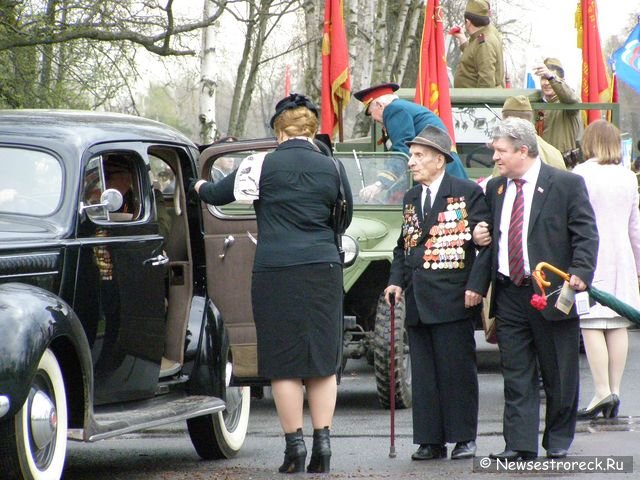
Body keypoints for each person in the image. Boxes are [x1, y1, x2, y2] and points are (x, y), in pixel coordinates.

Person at [191, 93, 352, 474]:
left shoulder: (259, 165)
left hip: (276, 269)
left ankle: (294, 448)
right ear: (312, 131)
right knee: (322, 362)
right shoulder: (334, 166)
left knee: (284, 364)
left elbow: (216, 194)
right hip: (322, 269)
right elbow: (342, 219)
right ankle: (323, 447)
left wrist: (196, 184)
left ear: (279, 132)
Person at [473, 117, 598, 460]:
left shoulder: (566, 184)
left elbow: (585, 233)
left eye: (500, 151)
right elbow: (489, 233)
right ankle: (519, 443)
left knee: (558, 371)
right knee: (516, 372)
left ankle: (557, 438)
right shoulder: (496, 188)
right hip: (509, 292)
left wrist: (581, 271)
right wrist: (479, 233)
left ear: (522, 150)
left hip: (552, 291)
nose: (495, 158)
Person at [384, 125, 490, 461]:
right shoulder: (412, 197)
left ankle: (463, 438)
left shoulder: (466, 192)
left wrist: (476, 285)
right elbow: (404, 245)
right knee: (426, 374)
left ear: (440, 160)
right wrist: (395, 281)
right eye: (411, 156)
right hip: (417, 298)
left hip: (453, 296)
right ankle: (430, 439)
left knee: (456, 370)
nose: (411, 163)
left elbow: (485, 245)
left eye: (418, 156)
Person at [572, 120, 640, 419]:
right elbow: (635, 227)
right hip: (623, 256)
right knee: (618, 324)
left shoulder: (580, 174)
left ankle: (601, 391)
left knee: (590, 324)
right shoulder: (628, 177)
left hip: (589, 256)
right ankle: (615, 391)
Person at [354, 82, 468, 202]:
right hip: (441, 172)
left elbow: (402, 150)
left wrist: (380, 183)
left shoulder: (393, 109)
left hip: (440, 175)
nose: (373, 119)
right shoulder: (401, 107)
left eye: (371, 113)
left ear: (379, 105)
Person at [532, 58, 582, 165]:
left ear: (560, 81)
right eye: (543, 79)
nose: (546, 83)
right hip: (542, 165)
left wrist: (552, 77)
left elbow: (571, 99)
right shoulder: (537, 105)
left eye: (549, 79)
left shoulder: (568, 102)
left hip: (563, 166)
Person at [451, 0, 505, 88]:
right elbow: (475, 56)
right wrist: (463, 39)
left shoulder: (484, 43)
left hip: (474, 100)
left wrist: (478, 101)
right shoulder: (486, 33)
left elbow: (486, 83)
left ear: (468, 22)